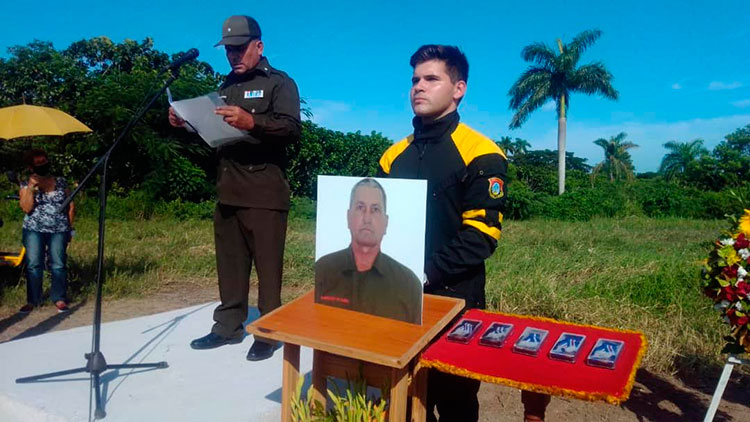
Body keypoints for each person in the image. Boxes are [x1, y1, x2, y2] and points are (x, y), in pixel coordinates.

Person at [377, 45, 550, 422]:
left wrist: (425, 273)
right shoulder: (392, 157)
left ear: (459, 89)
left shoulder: (482, 154)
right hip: (398, 300)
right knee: (401, 397)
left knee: (455, 401)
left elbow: (481, 237)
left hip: (456, 302)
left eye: (431, 79)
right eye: (415, 80)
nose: (418, 87)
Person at [168, 15, 301, 361]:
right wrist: (186, 123)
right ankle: (227, 327)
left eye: (240, 48)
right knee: (229, 265)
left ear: (259, 46)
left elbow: (291, 129)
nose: (233, 56)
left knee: (268, 269)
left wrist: (252, 121)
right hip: (228, 189)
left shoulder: (279, 83)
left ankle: (268, 332)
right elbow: (214, 133)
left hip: (264, 191)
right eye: (229, 50)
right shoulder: (225, 86)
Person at [315, 178, 423, 324]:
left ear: (386, 222)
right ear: (348, 217)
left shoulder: (409, 284)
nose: (367, 218)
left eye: (375, 209)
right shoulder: (322, 271)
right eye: (360, 208)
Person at [18, 149, 74, 313]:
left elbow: (70, 206)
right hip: (34, 229)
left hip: (59, 229)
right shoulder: (25, 184)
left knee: (58, 264)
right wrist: (31, 188)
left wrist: (70, 229)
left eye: (44, 161)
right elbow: (26, 208)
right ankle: (33, 300)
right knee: (34, 264)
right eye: (38, 163)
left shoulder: (61, 182)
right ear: (31, 167)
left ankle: (59, 298)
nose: (43, 165)